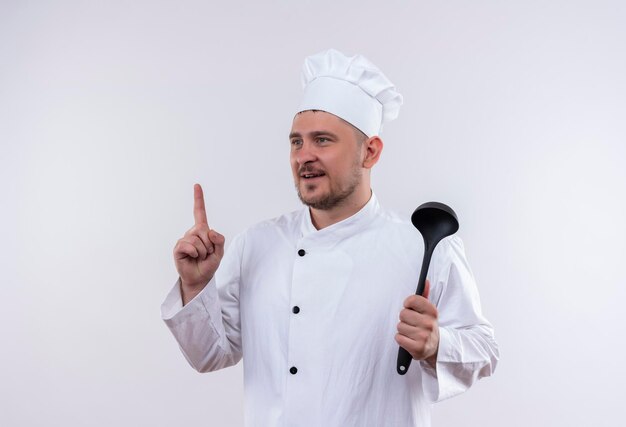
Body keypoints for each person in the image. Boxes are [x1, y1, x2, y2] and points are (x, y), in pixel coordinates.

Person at [161, 49, 498, 426]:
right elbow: (209, 356)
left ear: (369, 152)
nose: (304, 156)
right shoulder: (255, 245)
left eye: (322, 140)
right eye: (296, 142)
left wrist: (437, 346)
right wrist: (195, 286)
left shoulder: (425, 245)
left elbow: (484, 350)